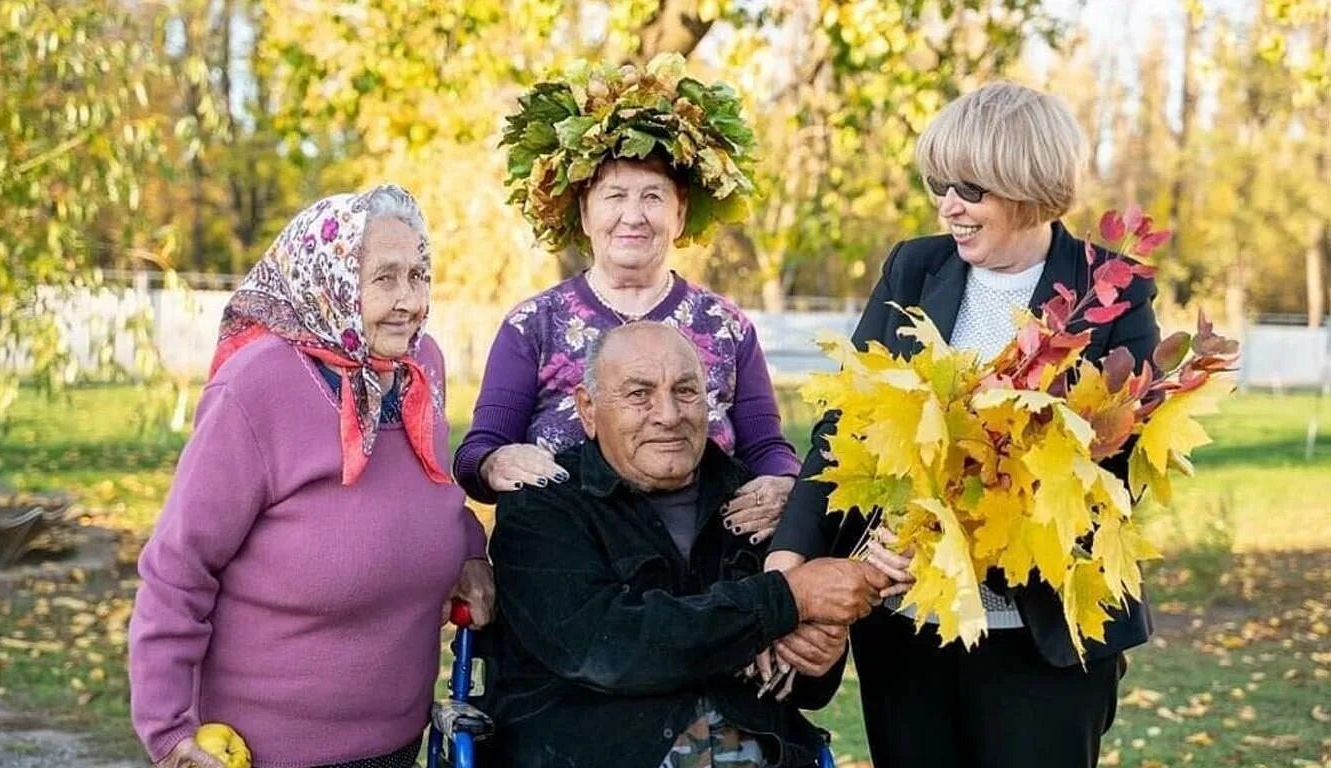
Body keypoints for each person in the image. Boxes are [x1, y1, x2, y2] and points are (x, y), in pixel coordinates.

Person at [767, 83, 1159, 768]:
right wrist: (787, 568)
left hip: (1038, 637)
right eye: (938, 184)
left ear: (1027, 184)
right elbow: (843, 428)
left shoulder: (1111, 290)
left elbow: (1119, 467)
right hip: (906, 634)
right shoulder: (913, 267)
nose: (950, 204)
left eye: (970, 188)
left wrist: (968, 533)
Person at [128, 185, 495, 768]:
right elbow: (178, 566)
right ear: (330, 281)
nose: (410, 300)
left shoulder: (419, 368)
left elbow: (425, 492)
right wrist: (169, 731)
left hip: (401, 741)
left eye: (420, 275)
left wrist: (468, 551)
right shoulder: (258, 387)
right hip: (268, 751)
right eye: (386, 278)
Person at [482, 322, 888, 768]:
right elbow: (606, 648)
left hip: (755, 748)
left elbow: (807, 687)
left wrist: (820, 652)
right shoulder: (544, 508)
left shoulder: (755, 502)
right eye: (640, 395)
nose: (669, 414)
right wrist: (784, 600)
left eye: (686, 391)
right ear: (588, 409)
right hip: (590, 748)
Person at [454, 55, 797, 545]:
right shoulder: (533, 325)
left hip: (705, 565)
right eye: (615, 196)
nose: (633, 216)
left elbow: (767, 447)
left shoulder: (727, 326)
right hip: (569, 564)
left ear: (681, 216)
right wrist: (495, 462)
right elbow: (476, 453)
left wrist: (782, 484)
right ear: (584, 213)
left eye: (653, 197)